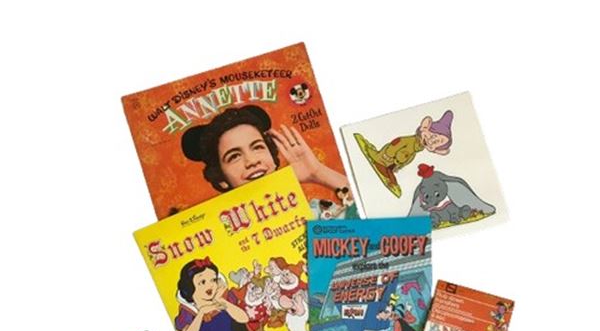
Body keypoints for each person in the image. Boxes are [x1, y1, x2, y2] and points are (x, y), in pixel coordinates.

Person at [181, 105, 350, 193]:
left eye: (257, 147)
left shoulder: (315, 211)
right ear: (221, 179)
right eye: (234, 156)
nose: (252, 161)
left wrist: (317, 172)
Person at [354, 110, 454, 197]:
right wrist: (389, 156)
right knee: (384, 167)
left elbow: (406, 158)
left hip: (391, 163)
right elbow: (396, 145)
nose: (431, 140)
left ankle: (388, 172)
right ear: (424, 127)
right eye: (433, 135)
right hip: (385, 158)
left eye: (437, 142)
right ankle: (378, 160)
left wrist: (398, 166)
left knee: (391, 174)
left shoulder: (415, 150)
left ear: (435, 150)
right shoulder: (409, 141)